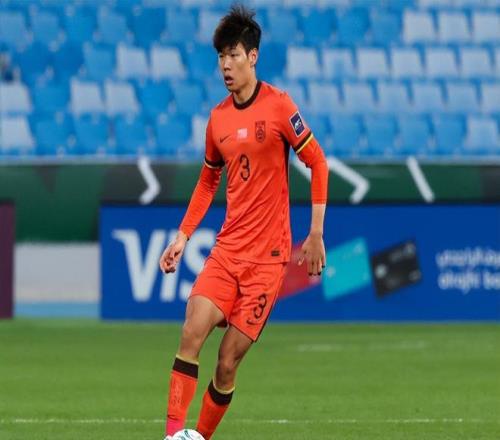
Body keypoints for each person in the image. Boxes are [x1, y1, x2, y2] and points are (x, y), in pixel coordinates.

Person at [159, 5, 329, 439]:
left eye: (233, 55)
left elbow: (318, 162)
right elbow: (207, 181)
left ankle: (199, 436)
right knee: (191, 332)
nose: (226, 65)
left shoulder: (280, 106)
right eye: (221, 57)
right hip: (228, 251)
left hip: (268, 261)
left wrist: (315, 232)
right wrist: (182, 236)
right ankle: (173, 435)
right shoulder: (217, 118)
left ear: (253, 56)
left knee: (227, 362)